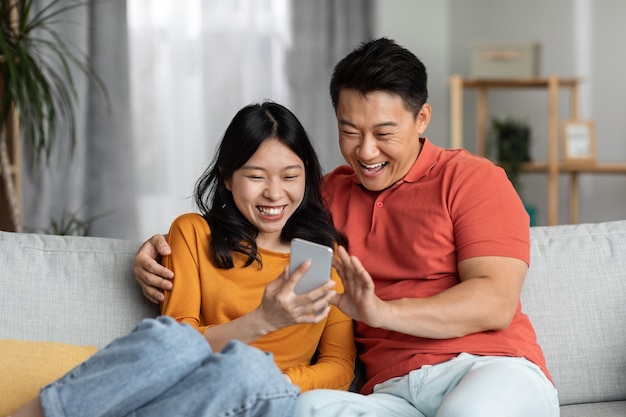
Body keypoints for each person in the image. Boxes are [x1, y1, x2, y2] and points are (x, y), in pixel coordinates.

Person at [134, 38, 559, 417]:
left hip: (486, 367)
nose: (366, 151)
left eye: (383, 133)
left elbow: (494, 301)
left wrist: (382, 312)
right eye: (350, 131)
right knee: (310, 408)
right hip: (392, 393)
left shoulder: (472, 179)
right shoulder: (326, 198)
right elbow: (262, 211)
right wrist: (155, 248)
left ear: (422, 118)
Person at [12, 101, 355, 417]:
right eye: (256, 176)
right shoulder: (193, 234)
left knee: (247, 369)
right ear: (227, 177)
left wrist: (277, 380)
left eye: (290, 176)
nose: (275, 193)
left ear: (307, 175)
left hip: (269, 395)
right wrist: (262, 320)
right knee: (172, 340)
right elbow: (180, 343)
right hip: (194, 391)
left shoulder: (325, 256)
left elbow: (339, 365)